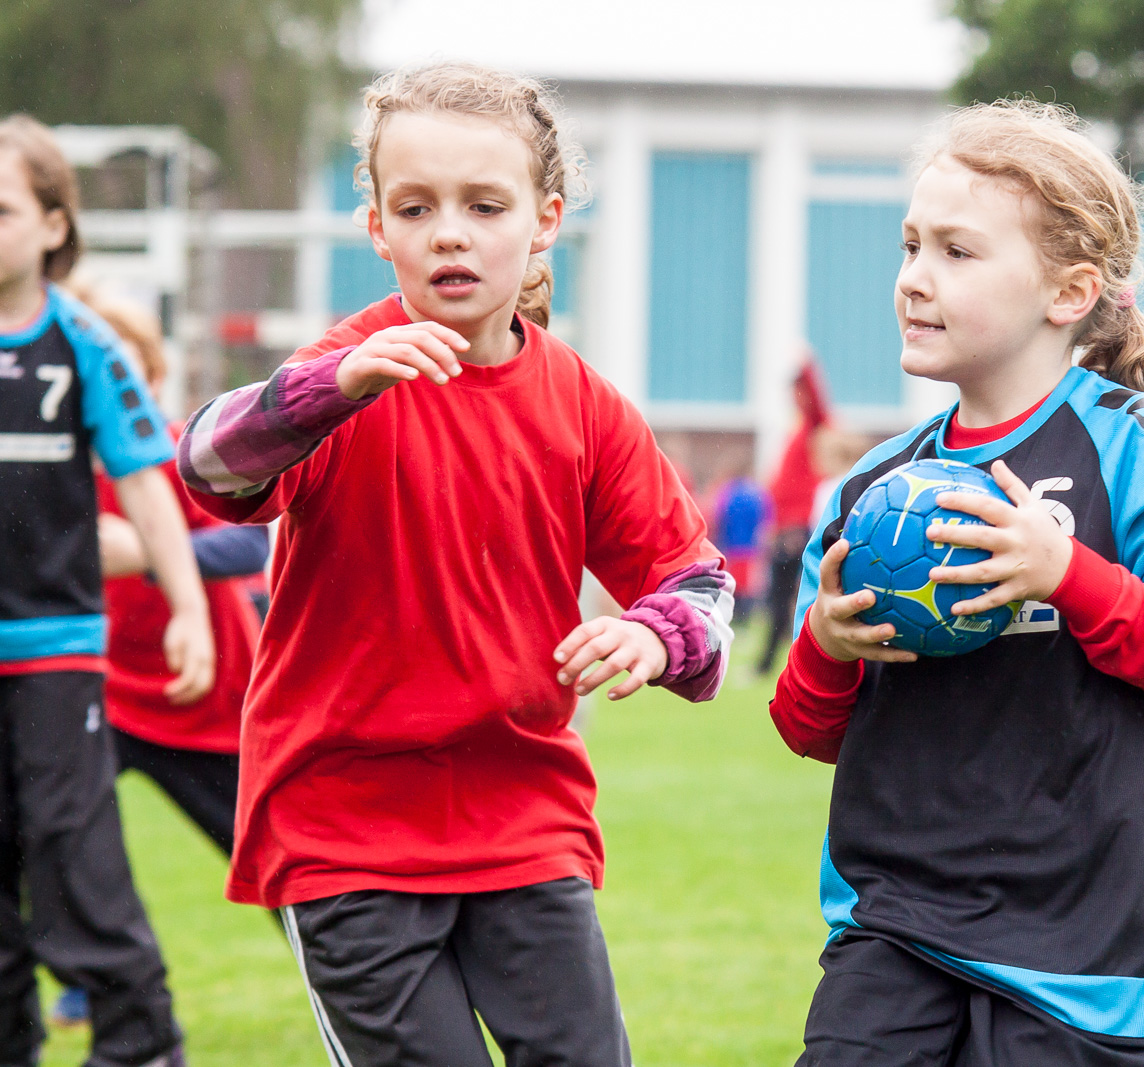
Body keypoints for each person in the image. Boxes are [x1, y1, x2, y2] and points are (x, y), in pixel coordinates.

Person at [178, 64, 732, 1066]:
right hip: (344, 833)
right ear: (377, 227)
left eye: (484, 205)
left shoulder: (584, 406)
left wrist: (656, 632)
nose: (449, 232)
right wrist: (322, 392)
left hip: (526, 824)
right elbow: (207, 466)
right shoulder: (339, 377)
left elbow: (697, 582)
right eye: (415, 207)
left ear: (545, 218)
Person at [769, 100, 1144, 1066]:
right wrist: (827, 643)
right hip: (898, 916)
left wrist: (1064, 571)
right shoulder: (873, 492)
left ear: (1070, 291)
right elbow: (809, 728)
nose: (914, 278)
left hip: (1091, 932)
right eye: (910, 246)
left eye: (957, 251)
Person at [0, 114, 203, 1067]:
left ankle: (140, 1041)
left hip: (54, 655)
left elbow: (148, 491)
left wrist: (190, 611)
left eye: (1, 210)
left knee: (74, 861)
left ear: (50, 225)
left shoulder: (85, 344)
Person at [47, 286, 268, 1030]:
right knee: (48, 838)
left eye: (128, 364)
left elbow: (250, 541)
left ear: (152, 373)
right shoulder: (51, 468)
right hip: (99, 695)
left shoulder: (176, 457)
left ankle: (338, 966)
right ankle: (86, 976)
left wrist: (145, 554)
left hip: (203, 697)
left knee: (272, 861)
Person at [757, 360, 831, 674]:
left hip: (798, 530)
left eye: (798, 390)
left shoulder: (813, 427)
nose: (795, 396)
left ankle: (796, 663)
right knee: (778, 599)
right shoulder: (796, 430)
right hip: (785, 528)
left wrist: (805, 368)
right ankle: (773, 663)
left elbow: (818, 404)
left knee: (797, 597)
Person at [708, 461, 769, 625]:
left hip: (729, 545)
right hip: (750, 546)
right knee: (746, 585)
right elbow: (764, 519)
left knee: (730, 583)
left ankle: (731, 616)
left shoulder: (726, 492)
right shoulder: (756, 493)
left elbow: (718, 518)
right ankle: (744, 617)